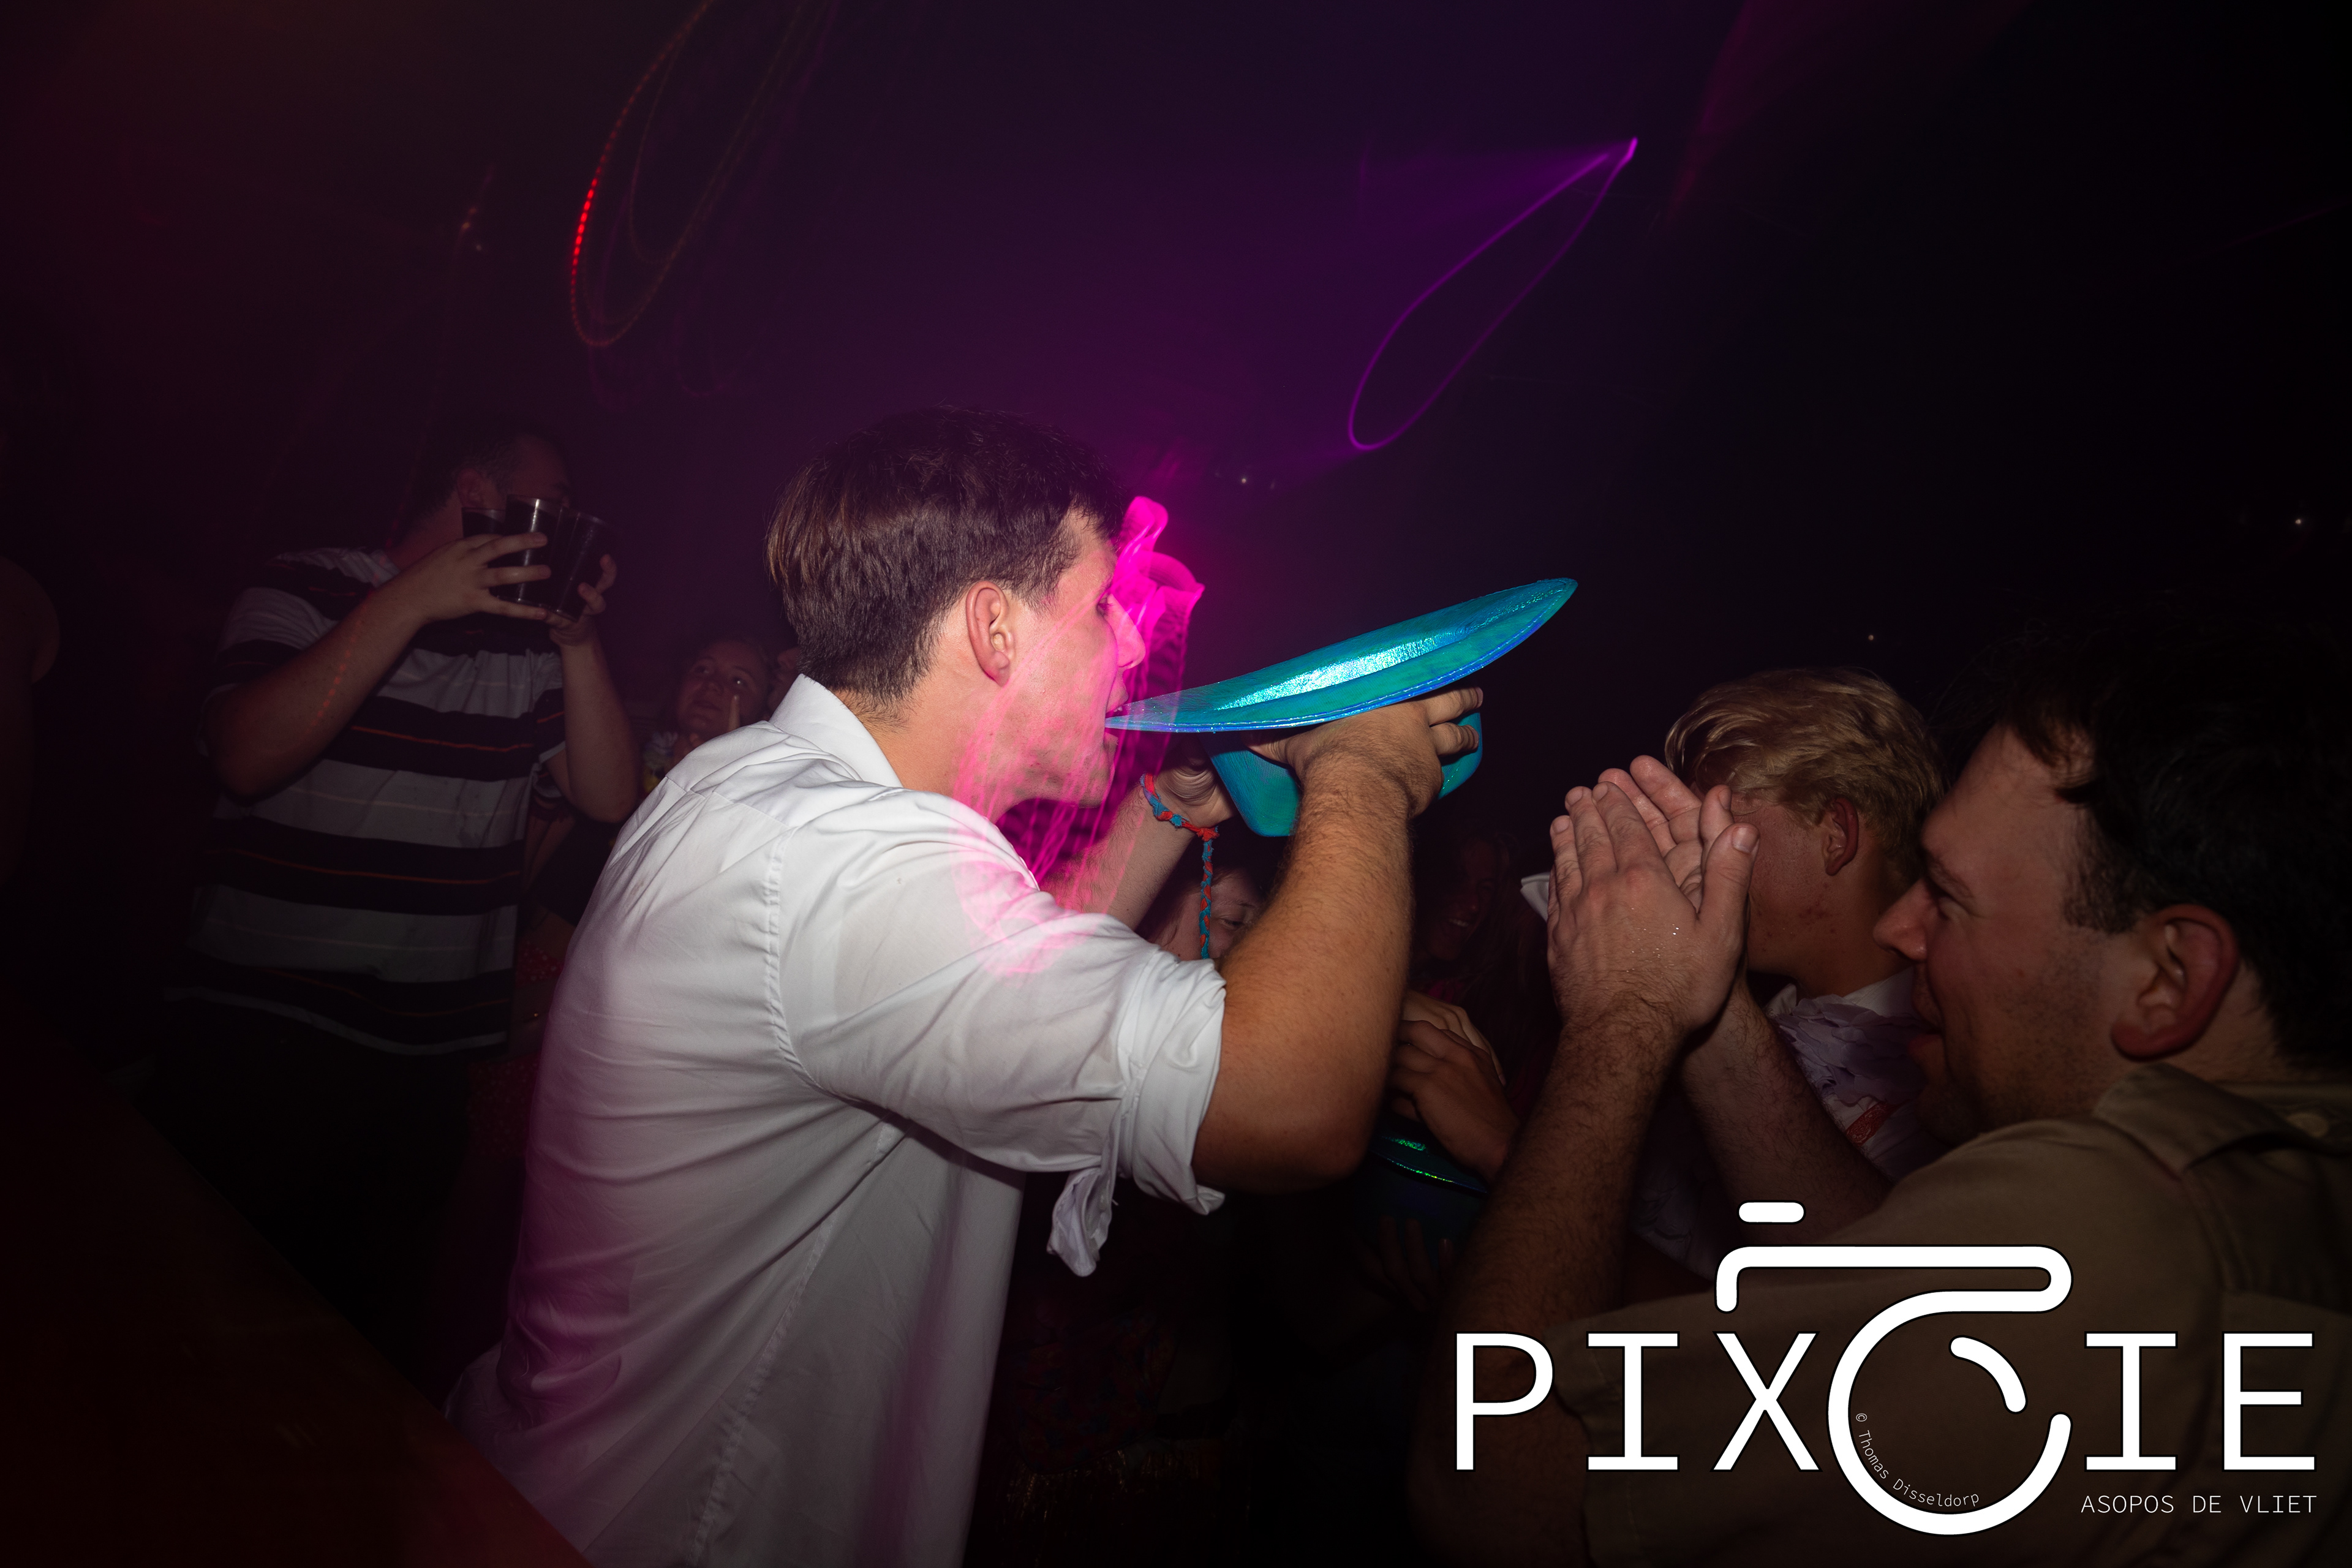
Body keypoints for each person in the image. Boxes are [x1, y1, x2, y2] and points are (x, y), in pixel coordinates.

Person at [452, 407, 1482, 1567]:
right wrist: (1361, 773)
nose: (1131, 649)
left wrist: (1161, 806)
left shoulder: (766, 791)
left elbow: (1007, 988)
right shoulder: (851, 863)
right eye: (1101, 608)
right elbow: (1287, 1103)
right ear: (994, 627)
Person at [1411, 607, 2351, 1566]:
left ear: (2169, 979)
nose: (1904, 929)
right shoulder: (2270, 1188)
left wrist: (1621, 1019)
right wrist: (1702, 993)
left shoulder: (2130, 1233)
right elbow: (1869, 1278)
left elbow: (1501, 1487)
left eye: (1950, 896)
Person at [145, 412, 638, 1374]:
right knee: (184, 1342)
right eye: (553, 504)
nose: (567, 526)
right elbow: (244, 756)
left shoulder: (526, 650)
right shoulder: (305, 585)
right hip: (258, 1034)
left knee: (350, 1365)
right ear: (476, 494)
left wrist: (579, 643)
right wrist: (414, 600)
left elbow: (609, 797)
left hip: (420, 1066)